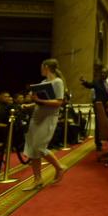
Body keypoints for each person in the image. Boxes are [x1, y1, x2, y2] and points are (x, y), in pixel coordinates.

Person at [22, 58, 68, 191]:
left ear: (46, 67)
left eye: (42, 67)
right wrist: (30, 104)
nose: (41, 69)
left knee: (39, 146)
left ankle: (59, 167)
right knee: (32, 150)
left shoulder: (57, 82)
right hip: (37, 117)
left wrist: (39, 99)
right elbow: (40, 101)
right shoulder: (43, 82)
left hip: (48, 118)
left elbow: (59, 102)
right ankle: (37, 179)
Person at [80, 67, 108, 150]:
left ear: (107, 74)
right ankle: (98, 143)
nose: (102, 74)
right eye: (101, 73)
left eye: (104, 73)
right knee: (99, 125)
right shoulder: (96, 82)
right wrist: (84, 82)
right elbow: (89, 85)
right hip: (99, 107)